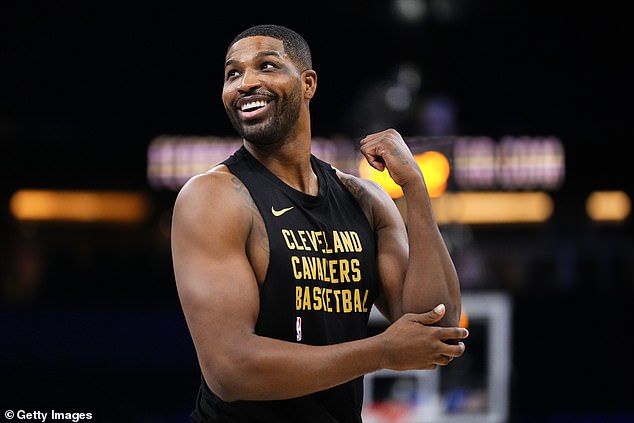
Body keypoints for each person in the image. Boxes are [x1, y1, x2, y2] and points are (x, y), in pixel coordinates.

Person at [171, 24, 468, 423]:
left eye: (267, 66)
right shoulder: (213, 197)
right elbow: (231, 370)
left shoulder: (364, 200)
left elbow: (439, 326)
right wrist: (381, 351)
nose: (245, 83)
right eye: (233, 73)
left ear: (308, 83)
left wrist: (415, 187)